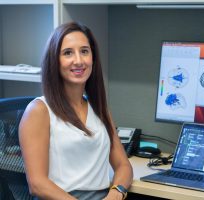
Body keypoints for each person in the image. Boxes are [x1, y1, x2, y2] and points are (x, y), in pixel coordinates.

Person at [19, 21, 133, 200]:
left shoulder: (99, 109)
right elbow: (37, 183)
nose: (79, 60)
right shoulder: (39, 110)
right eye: (68, 53)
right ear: (54, 61)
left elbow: (123, 166)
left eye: (84, 51)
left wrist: (116, 192)